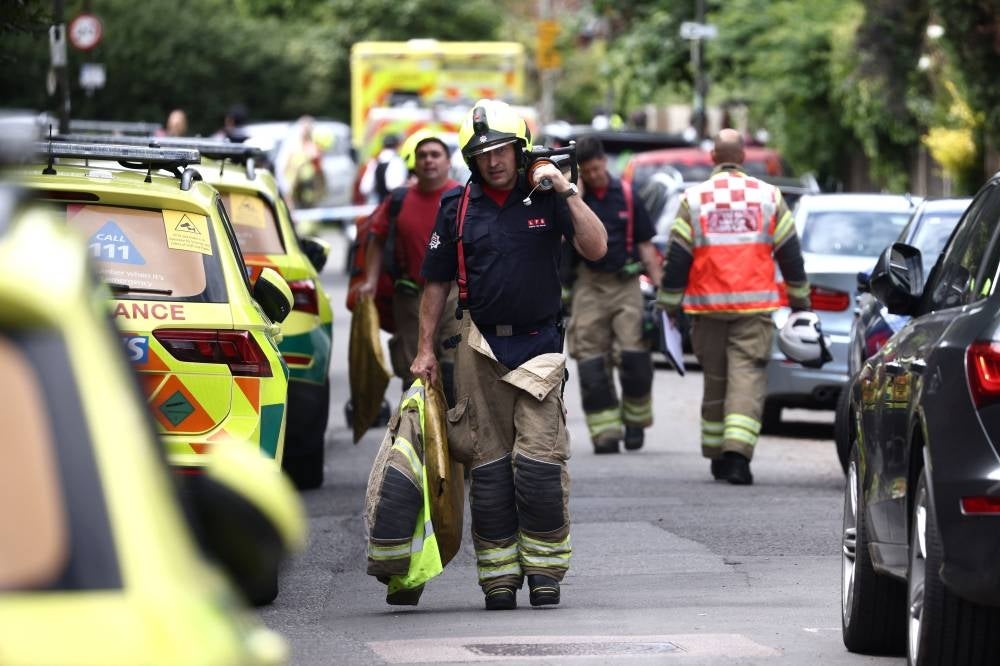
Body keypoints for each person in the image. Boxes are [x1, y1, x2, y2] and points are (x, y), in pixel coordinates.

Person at [411, 99, 607, 611]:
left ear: (520, 152)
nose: (493, 161)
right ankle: (498, 579)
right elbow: (433, 283)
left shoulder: (545, 198)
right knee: (491, 466)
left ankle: (545, 573)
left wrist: (564, 187)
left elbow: (597, 248)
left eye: (501, 150)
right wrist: (425, 349)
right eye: (482, 154)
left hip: (540, 347)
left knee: (539, 464)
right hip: (479, 347)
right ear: (471, 160)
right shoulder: (456, 206)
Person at [656, 128, 811, 485]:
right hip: (754, 309)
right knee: (747, 379)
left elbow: (677, 258)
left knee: (716, 380)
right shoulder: (769, 197)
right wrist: (801, 302)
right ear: (742, 157)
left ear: (713, 157)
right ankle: (737, 456)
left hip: (706, 311)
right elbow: (790, 255)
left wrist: (667, 306)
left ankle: (715, 454)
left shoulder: (694, 199)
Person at [566, 135, 661, 454]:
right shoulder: (574, 198)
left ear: (604, 162)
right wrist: (574, 194)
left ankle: (635, 421)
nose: (593, 175)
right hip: (589, 285)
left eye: (596, 168)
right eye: (586, 171)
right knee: (591, 361)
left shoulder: (629, 196)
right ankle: (605, 432)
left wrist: (662, 291)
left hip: (626, 286)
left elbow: (647, 245)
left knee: (634, 357)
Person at [353, 129, 462, 401]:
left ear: (448, 162)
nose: (428, 160)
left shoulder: (463, 197)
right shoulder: (398, 199)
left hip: (454, 297)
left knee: (453, 367)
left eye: (435, 155)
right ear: (414, 162)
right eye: (422, 155)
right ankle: (417, 435)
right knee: (414, 372)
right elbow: (376, 238)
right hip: (410, 296)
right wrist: (370, 281)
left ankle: (452, 432)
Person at [279, 116, 328, 210]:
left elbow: (319, 171)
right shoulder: (293, 146)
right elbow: (286, 169)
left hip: (310, 189)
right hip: (295, 188)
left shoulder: (314, 146)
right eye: (305, 128)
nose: (307, 131)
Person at [359, 134, 408, 205]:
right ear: (397, 145)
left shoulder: (375, 162)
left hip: (377, 204)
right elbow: (394, 186)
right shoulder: (398, 162)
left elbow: (365, 188)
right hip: (393, 205)